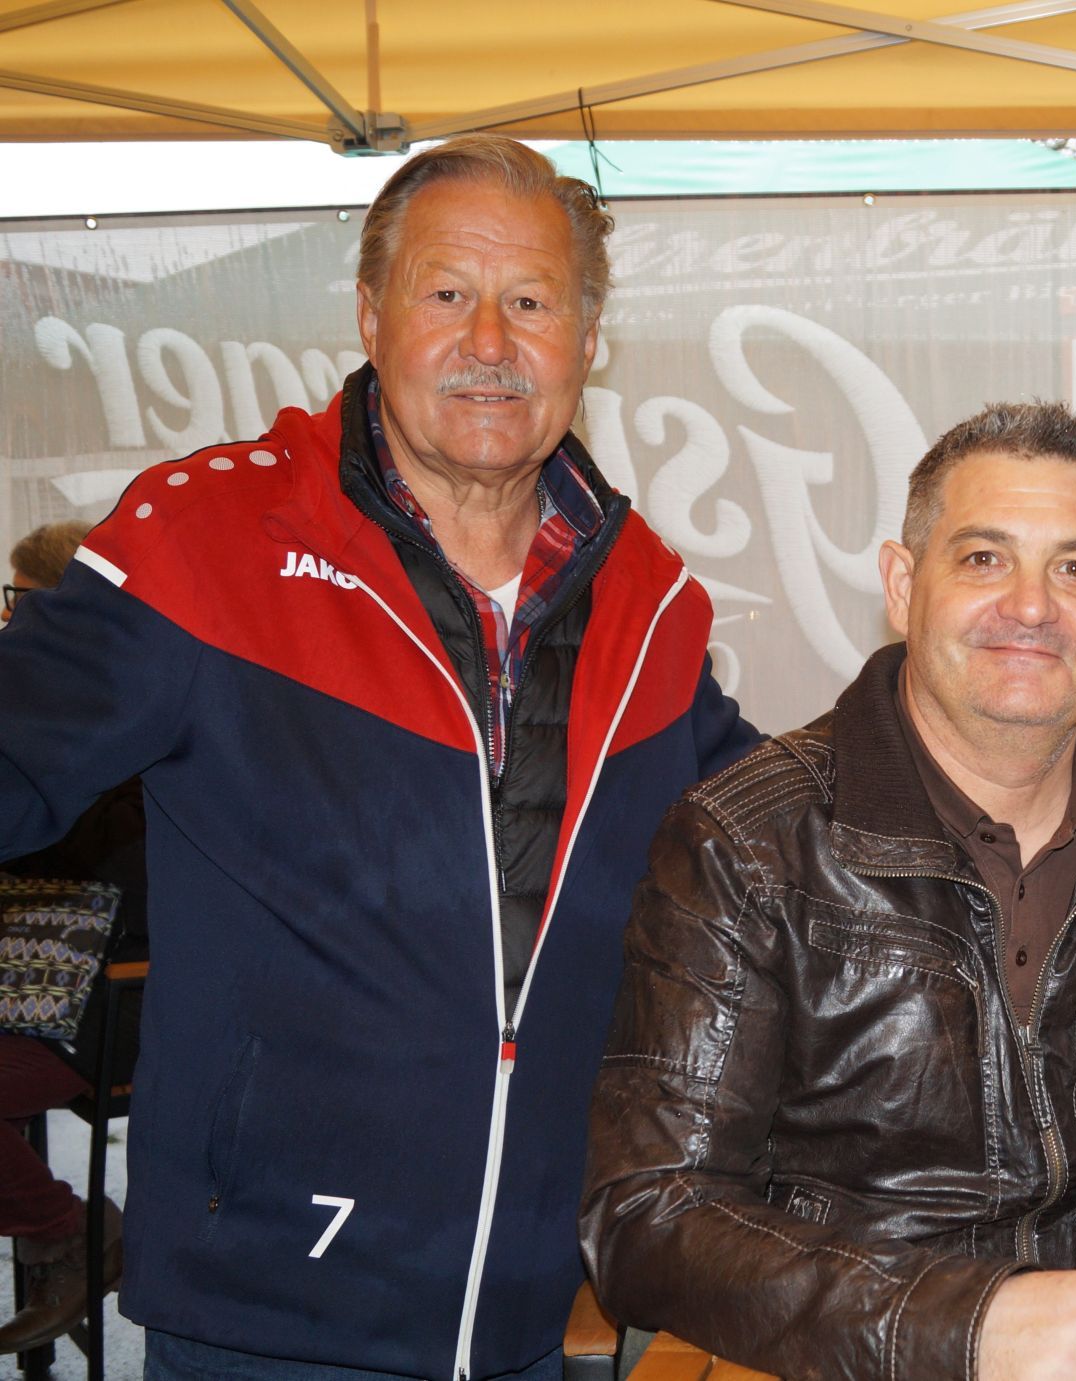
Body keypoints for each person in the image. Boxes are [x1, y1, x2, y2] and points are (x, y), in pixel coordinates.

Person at [0, 135, 758, 1379]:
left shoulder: (650, 600)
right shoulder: (208, 539)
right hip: (268, 1323)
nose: (489, 341)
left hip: (533, 1319)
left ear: (588, 337)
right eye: (445, 292)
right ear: (369, 313)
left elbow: (769, 834)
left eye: (531, 301)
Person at [581, 402, 1076, 1381]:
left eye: (1073, 568)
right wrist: (969, 1327)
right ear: (903, 586)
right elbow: (649, 1214)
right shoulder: (745, 843)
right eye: (983, 558)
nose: (1031, 605)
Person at [0, 520, 144, 1354]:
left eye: (22, 604)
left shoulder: (113, 716)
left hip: (108, 999)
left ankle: (73, 1235)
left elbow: (84, 853)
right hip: (57, 981)